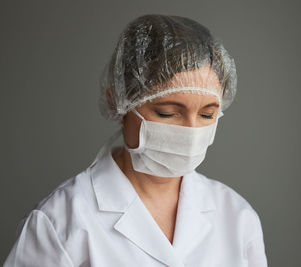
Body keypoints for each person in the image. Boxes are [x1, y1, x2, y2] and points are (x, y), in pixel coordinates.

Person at [4, 14, 268, 267]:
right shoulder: (60, 221)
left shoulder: (237, 216)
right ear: (119, 100)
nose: (191, 130)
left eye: (207, 114)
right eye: (167, 112)